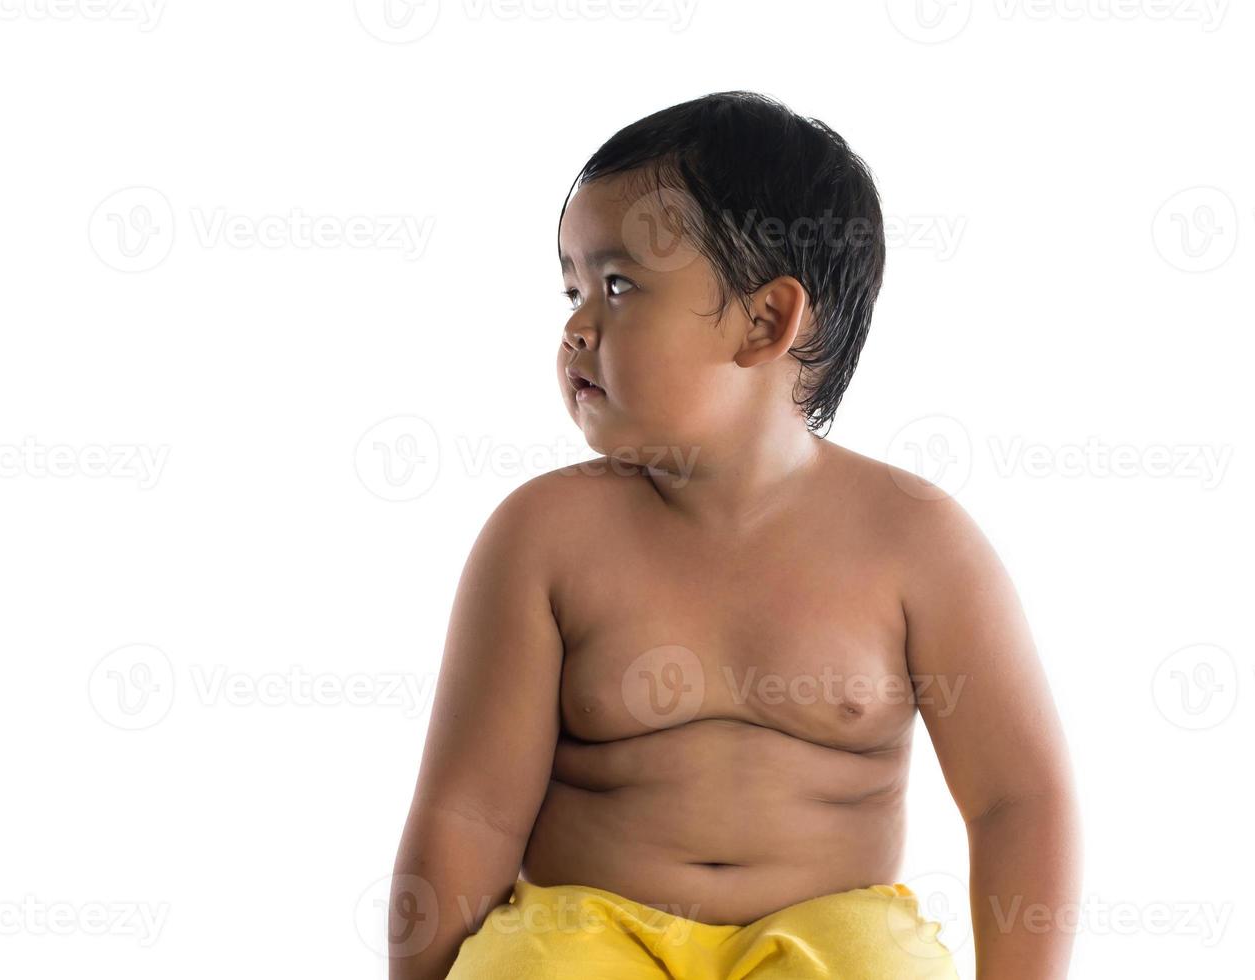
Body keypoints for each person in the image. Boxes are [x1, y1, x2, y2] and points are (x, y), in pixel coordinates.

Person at [389, 90, 1080, 980]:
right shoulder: (544, 537)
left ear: (765, 322)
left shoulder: (916, 543)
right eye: (569, 288)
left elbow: (1017, 799)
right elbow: (469, 814)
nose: (574, 327)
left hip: (828, 938)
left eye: (617, 285)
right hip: (587, 930)